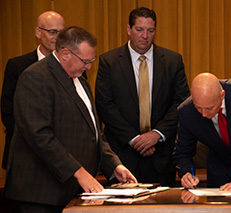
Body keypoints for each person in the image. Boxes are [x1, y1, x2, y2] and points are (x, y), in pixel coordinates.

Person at [3, 26, 137, 212]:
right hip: (41, 193)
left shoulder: (81, 79)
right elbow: (39, 136)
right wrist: (79, 173)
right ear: (65, 53)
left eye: (92, 60)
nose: (89, 66)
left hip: (70, 191)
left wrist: (114, 165)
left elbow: (94, 133)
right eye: (85, 61)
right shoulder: (35, 77)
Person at [95, 7, 190, 187]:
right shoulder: (109, 61)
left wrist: (156, 134)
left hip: (161, 156)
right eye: (139, 29)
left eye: (150, 30)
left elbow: (181, 102)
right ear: (129, 30)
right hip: (122, 157)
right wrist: (136, 140)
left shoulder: (173, 60)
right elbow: (105, 105)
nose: (145, 36)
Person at [0, 11, 65, 169]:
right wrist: (40, 142)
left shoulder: (72, 66)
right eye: (52, 32)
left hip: (63, 155)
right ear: (38, 32)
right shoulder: (17, 66)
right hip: (24, 153)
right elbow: (8, 111)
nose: (57, 37)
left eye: (61, 32)